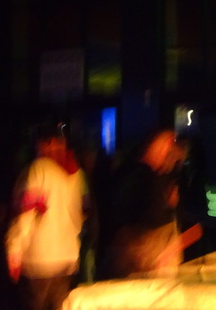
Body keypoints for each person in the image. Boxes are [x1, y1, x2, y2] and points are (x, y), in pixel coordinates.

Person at [5, 123, 90, 310]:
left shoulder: (39, 169)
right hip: (68, 259)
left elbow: (25, 214)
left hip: (39, 261)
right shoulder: (78, 174)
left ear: (49, 143)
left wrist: (13, 250)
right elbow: (84, 214)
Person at [104, 129, 189, 278]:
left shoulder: (154, 175)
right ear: (158, 147)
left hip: (147, 256)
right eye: (168, 147)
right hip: (141, 258)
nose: (172, 157)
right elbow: (145, 217)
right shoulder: (138, 174)